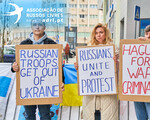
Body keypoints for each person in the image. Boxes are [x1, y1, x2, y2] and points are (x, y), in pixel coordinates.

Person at [11, 19, 64, 120]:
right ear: (31, 27)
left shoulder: (52, 44)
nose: (37, 27)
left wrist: (61, 81)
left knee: (45, 116)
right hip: (28, 87)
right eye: (34, 25)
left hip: (45, 88)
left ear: (44, 27)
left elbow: (58, 66)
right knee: (29, 116)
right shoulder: (23, 44)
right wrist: (14, 67)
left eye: (40, 25)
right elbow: (15, 63)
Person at [74, 23, 118, 120]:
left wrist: (116, 62)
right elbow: (85, 73)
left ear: (106, 34)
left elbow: (119, 71)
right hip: (91, 95)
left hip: (108, 94)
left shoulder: (114, 49)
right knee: (93, 116)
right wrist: (78, 67)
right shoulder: (88, 50)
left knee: (107, 115)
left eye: (101, 32)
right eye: (96, 33)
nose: (98, 35)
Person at [134, 25, 150, 120]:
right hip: (138, 89)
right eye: (146, 35)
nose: (147, 38)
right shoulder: (139, 47)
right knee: (141, 117)